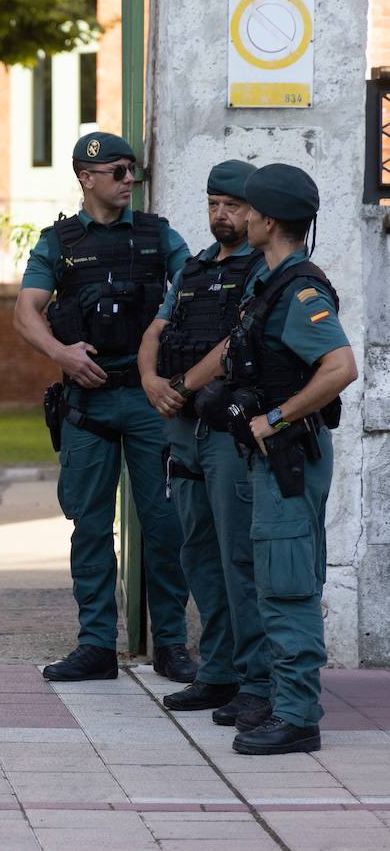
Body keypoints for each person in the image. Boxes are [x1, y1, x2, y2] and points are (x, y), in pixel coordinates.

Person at [171, 164, 356, 755]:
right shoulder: (268, 285)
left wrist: (275, 419)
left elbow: (341, 368)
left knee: (287, 581)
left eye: (246, 209)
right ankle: (280, 700)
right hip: (269, 460)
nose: (238, 218)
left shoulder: (301, 290)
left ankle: (298, 715)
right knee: (273, 576)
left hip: (287, 458)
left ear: (268, 219)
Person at [13, 131, 196, 683]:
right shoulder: (59, 242)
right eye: (117, 172)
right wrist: (61, 354)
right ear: (86, 177)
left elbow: (197, 289)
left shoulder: (159, 236)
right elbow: (26, 311)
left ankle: (170, 645)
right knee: (89, 525)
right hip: (87, 402)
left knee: (165, 525)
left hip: (148, 399)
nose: (128, 181)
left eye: (131, 171)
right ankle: (96, 645)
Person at [139, 160, 271, 727]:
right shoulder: (191, 269)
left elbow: (236, 340)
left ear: (255, 213)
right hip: (181, 429)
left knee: (238, 555)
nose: (222, 214)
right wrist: (149, 382)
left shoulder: (263, 271)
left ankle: (255, 679)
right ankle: (216, 671)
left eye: (233, 206)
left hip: (224, 431)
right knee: (197, 551)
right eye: (215, 203)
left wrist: (179, 386)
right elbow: (155, 331)